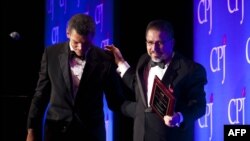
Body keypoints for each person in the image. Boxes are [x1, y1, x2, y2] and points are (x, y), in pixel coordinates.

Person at [26, 13, 124, 141]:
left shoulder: (104, 59)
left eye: (86, 43)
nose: (81, 48)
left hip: (91, 133)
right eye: (76, 42)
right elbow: (41, 95)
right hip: (57, 132)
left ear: (93, 37)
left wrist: (138, 111)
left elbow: (115, 100)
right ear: (68, 33)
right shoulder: (51, 54)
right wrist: (31, 129)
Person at [105, 19, 207, 141]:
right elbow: (137, 85)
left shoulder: (191, 70)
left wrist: (179, 117)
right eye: (150, 42)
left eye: (160, 43)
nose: (154, 48)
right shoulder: (144, 60)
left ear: (172, 43)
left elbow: (199, 106)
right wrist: (120, 62)